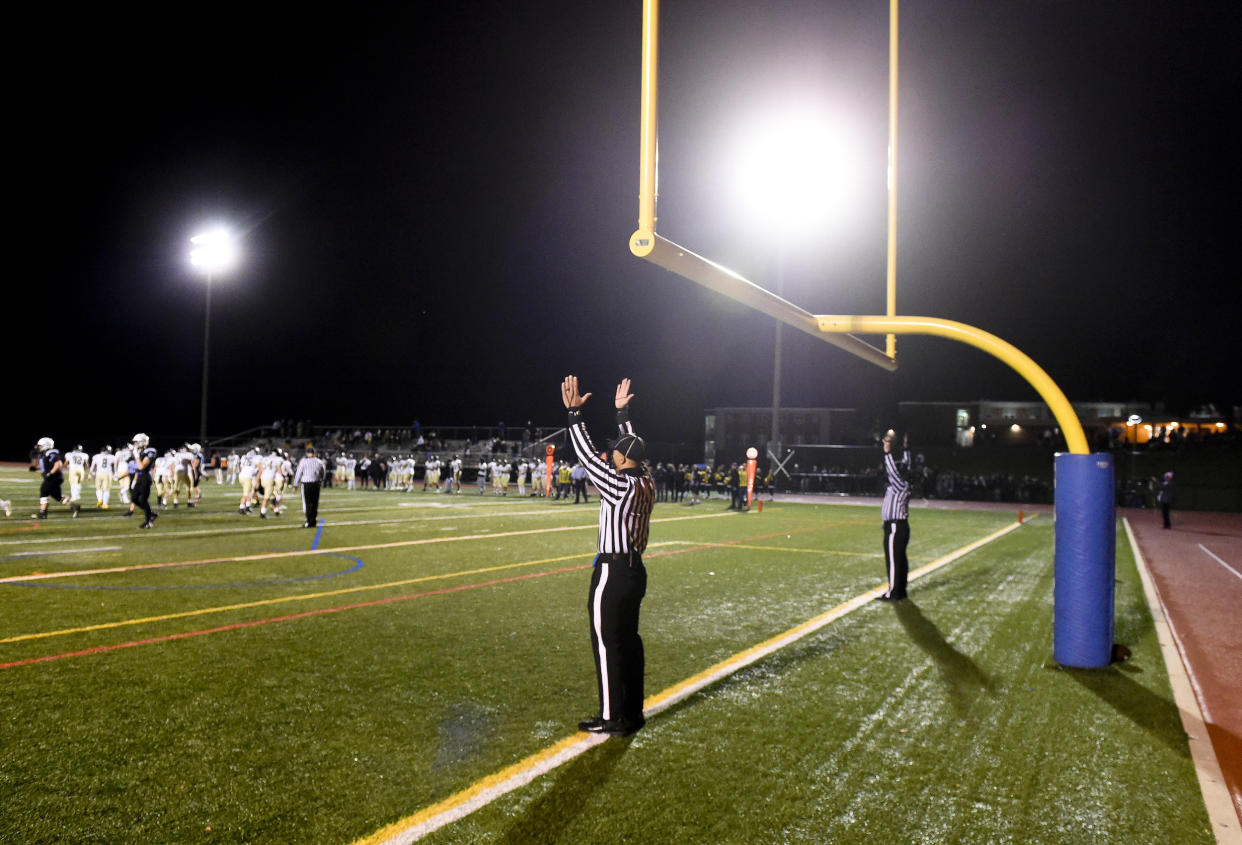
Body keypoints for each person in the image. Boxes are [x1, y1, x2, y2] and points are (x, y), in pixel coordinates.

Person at [562, 375, 655, 737]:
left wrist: (574, 414)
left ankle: (611, 716)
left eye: (615, 449)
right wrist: (622, 414)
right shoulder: (645, 481)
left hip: (612, 573)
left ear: (622, 457)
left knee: (605, 643)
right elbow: (635, 450)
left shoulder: (618, 486)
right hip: (634, 573)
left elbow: (585, 454)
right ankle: (632, 713)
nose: (611, 452)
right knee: (629, 642)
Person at [878, 430, 912, 601]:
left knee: (893, 560)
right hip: (900, 526)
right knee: (900, 560)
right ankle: (901, 590)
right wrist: (906, 448)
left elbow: (892, 470)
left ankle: (893, 592)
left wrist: (887, 451)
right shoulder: (903, 484)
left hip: (895, 526)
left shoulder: (900, 484)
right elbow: (907, 465)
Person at [293, 445, 327, 528]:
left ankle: (309, 521)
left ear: (307, 454)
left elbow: (298, 473)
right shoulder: (319, 461)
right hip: (316, 484)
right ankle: (313, 521)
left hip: (306, 484)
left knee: (307, 503)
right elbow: (323, 473)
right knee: (314, 503)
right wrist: (321, 480)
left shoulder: (303, 461)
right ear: (314, 453)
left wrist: (295, 484)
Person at [130, 433, 159, 529]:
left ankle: (148, 522)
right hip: (139, 477)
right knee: (134, 498)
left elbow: (142, 466)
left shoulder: (150, 451)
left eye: (136, 442)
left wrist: (136, 456)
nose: (135, 444)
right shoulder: (141, 451)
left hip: (146, 477)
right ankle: (151, 513)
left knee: (143, 500)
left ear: (142, 442)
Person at [32, 437, 64, 519]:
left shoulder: (52, 453)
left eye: (41, 446)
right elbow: (45, 466)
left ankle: (43, 513)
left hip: (53, 477)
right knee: (57, 496)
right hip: (53, 477)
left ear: (46, 445)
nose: (39, 447)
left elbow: (58, 464)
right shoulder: (45, 454)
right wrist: (36, 467)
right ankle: (74, 506)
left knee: (43, 491)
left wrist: (50, 473)